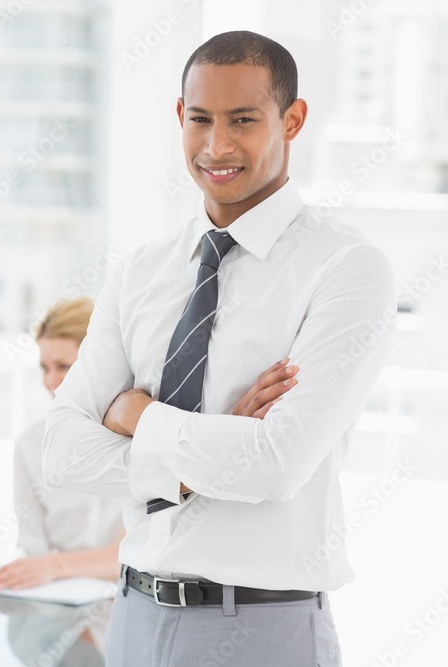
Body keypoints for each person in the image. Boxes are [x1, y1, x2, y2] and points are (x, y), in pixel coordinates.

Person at [44, 31, 395, 665]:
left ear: (292, 120)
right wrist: (198, 459)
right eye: (200, 119)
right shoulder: (140, 271)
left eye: (243, 120)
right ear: (180, 116)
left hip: (263, 626)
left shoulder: (346, 268)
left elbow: (277, 464)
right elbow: (62, 451)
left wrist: (139, 417)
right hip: (132, 620)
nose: (217, 146)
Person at [0, 298, 125, 592]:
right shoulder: (30, 445)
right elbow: (33, 551)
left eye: (63, 366)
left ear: (98, 363)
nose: (51, 381)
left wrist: (55, 567)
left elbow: (129, 556)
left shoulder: (136, 436)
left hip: (125, 603)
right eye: (44, 368)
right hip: (56, 605)